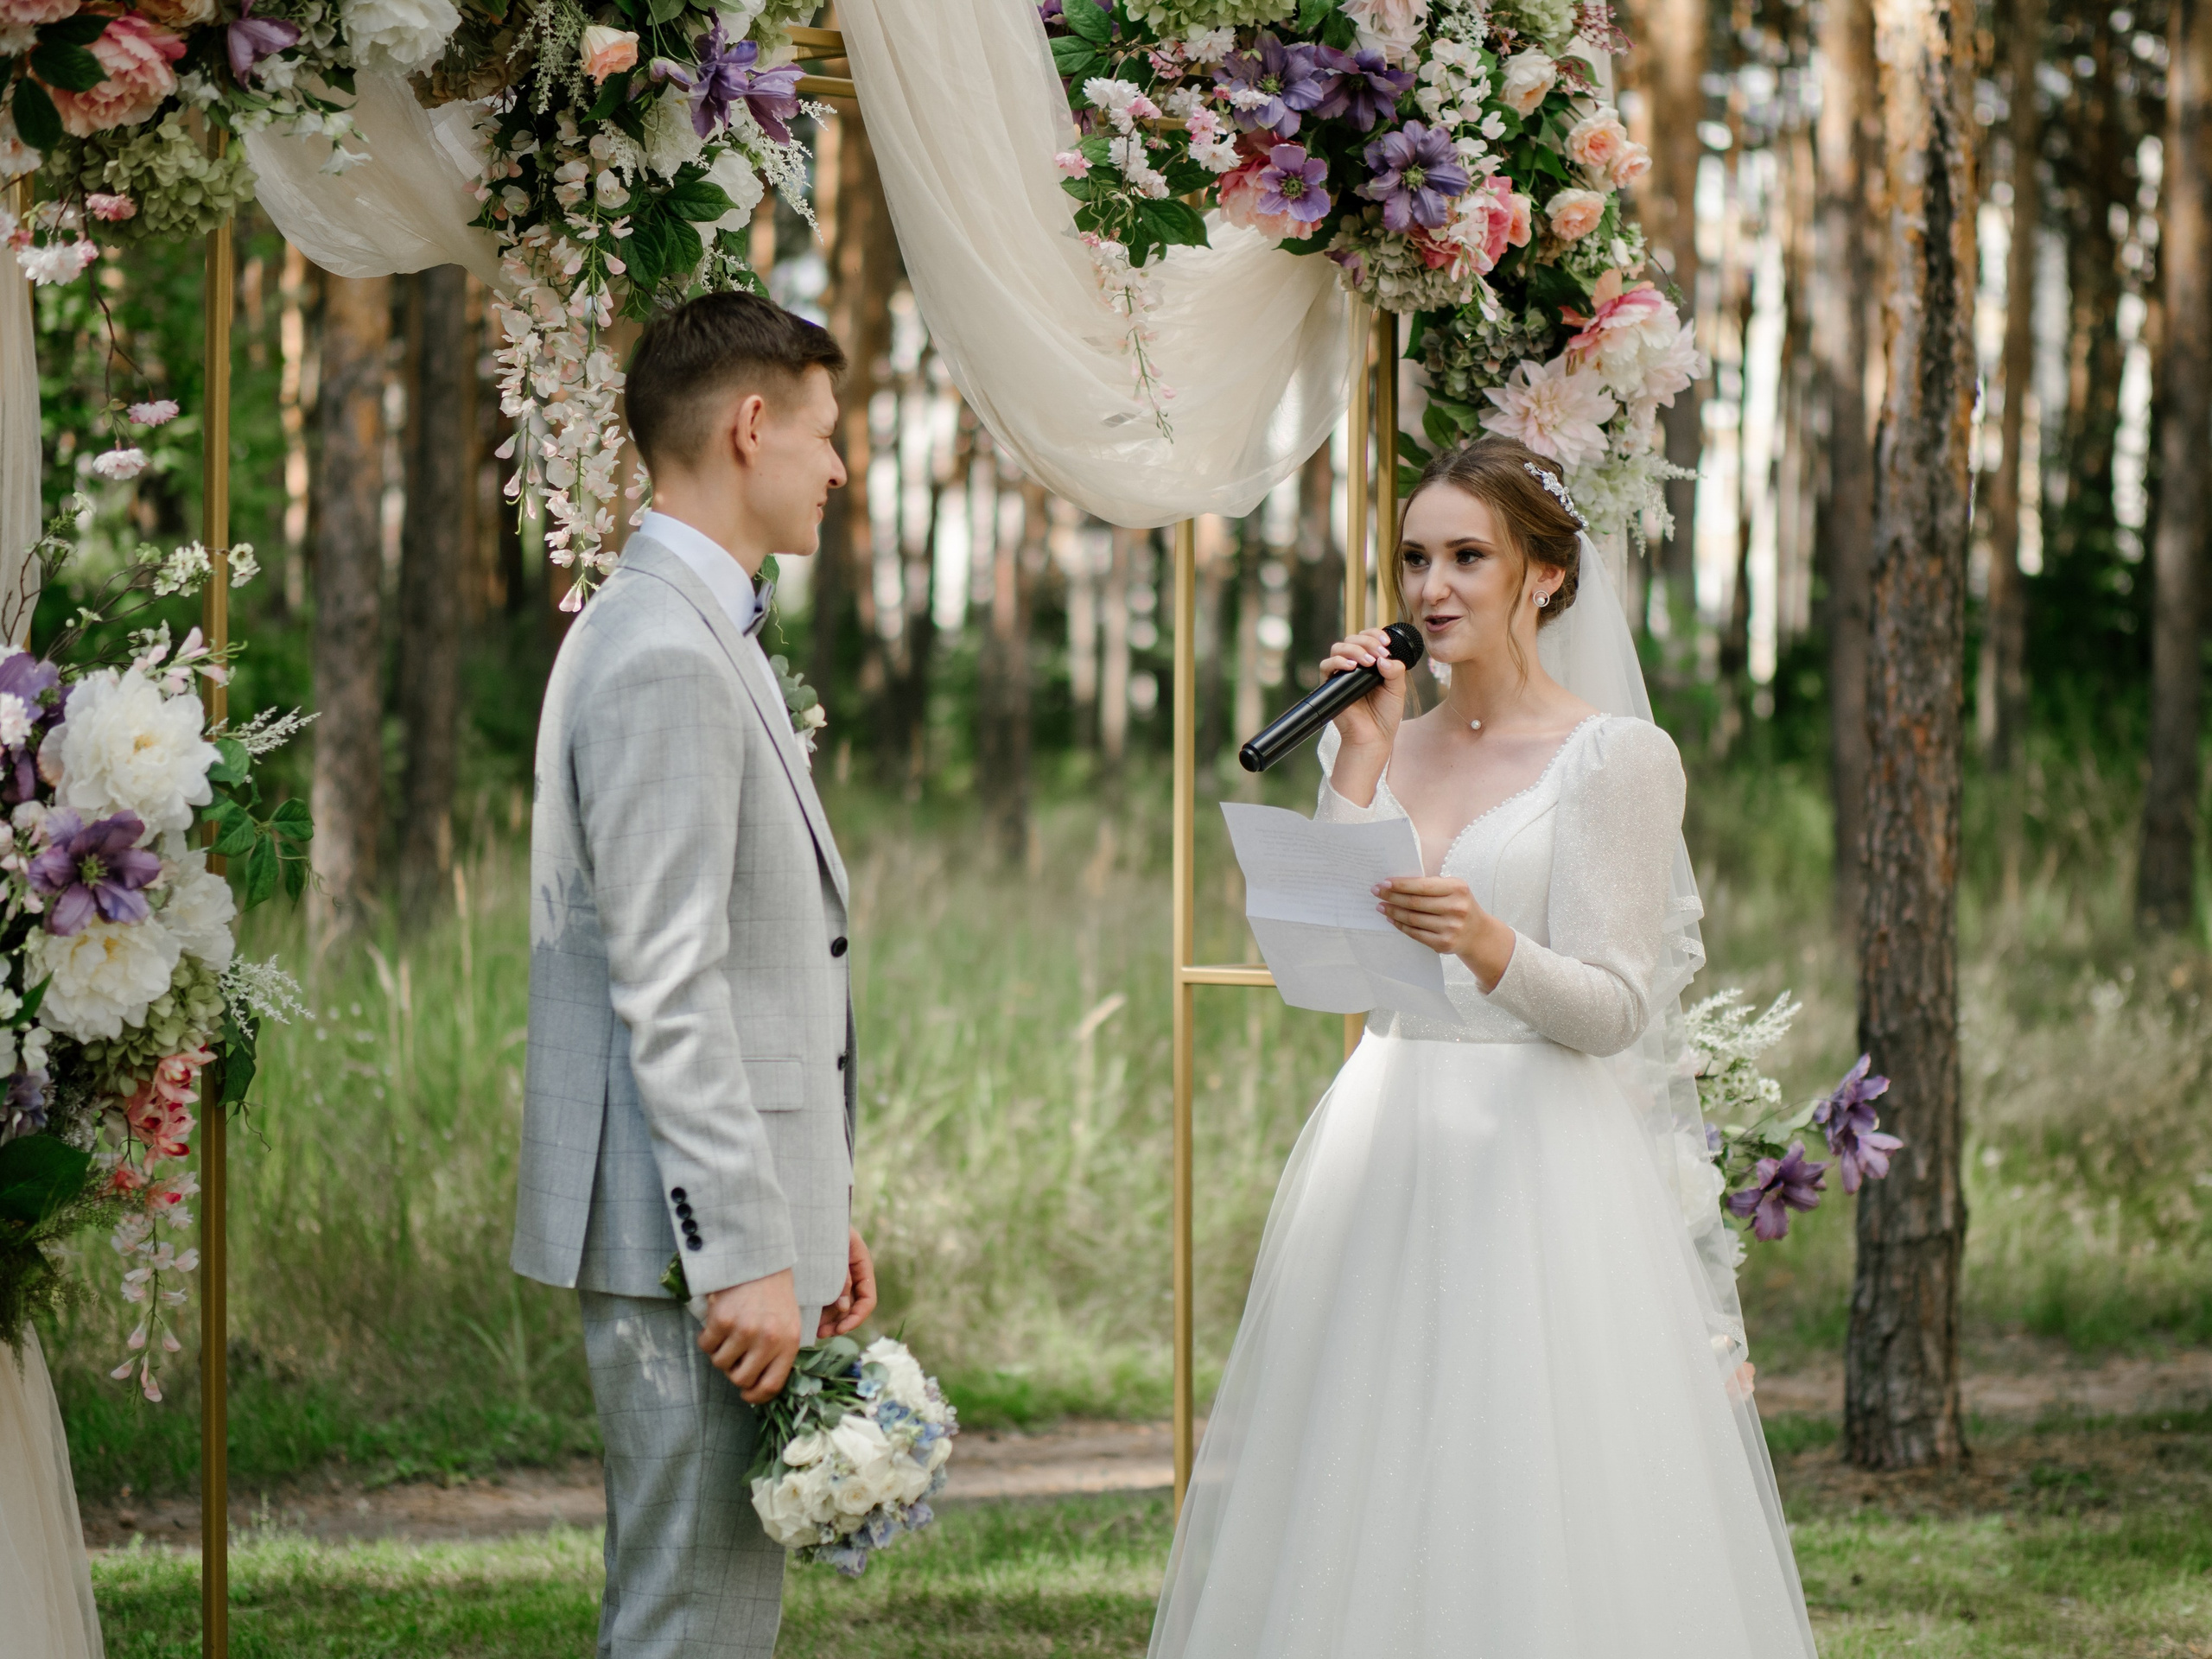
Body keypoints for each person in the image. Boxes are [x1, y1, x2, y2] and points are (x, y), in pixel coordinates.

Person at [1149, 436, 1817, 1658]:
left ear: (1546, 577)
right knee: (1369, 1460)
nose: (1431, 589)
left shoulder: (1614, 759)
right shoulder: (1386, 737)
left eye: (1469, 557)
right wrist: (1358, 756)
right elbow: (1328, 959)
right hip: (1387, 1131)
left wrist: (1490, 942)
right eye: (1415, 559)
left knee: (1520, 1473)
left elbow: (1618, 1006)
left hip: (1536, 1155)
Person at [513, 290, 878, 1659]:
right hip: (688, 1245)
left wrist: (805, 1209)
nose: (838, 467)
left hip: (719, 1223)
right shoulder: (663, 649)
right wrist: (738, 1250)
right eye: (825, 434)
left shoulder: (687, 626)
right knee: (691, 1624)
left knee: (699, 1607)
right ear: (749, 426)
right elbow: (671, 987)